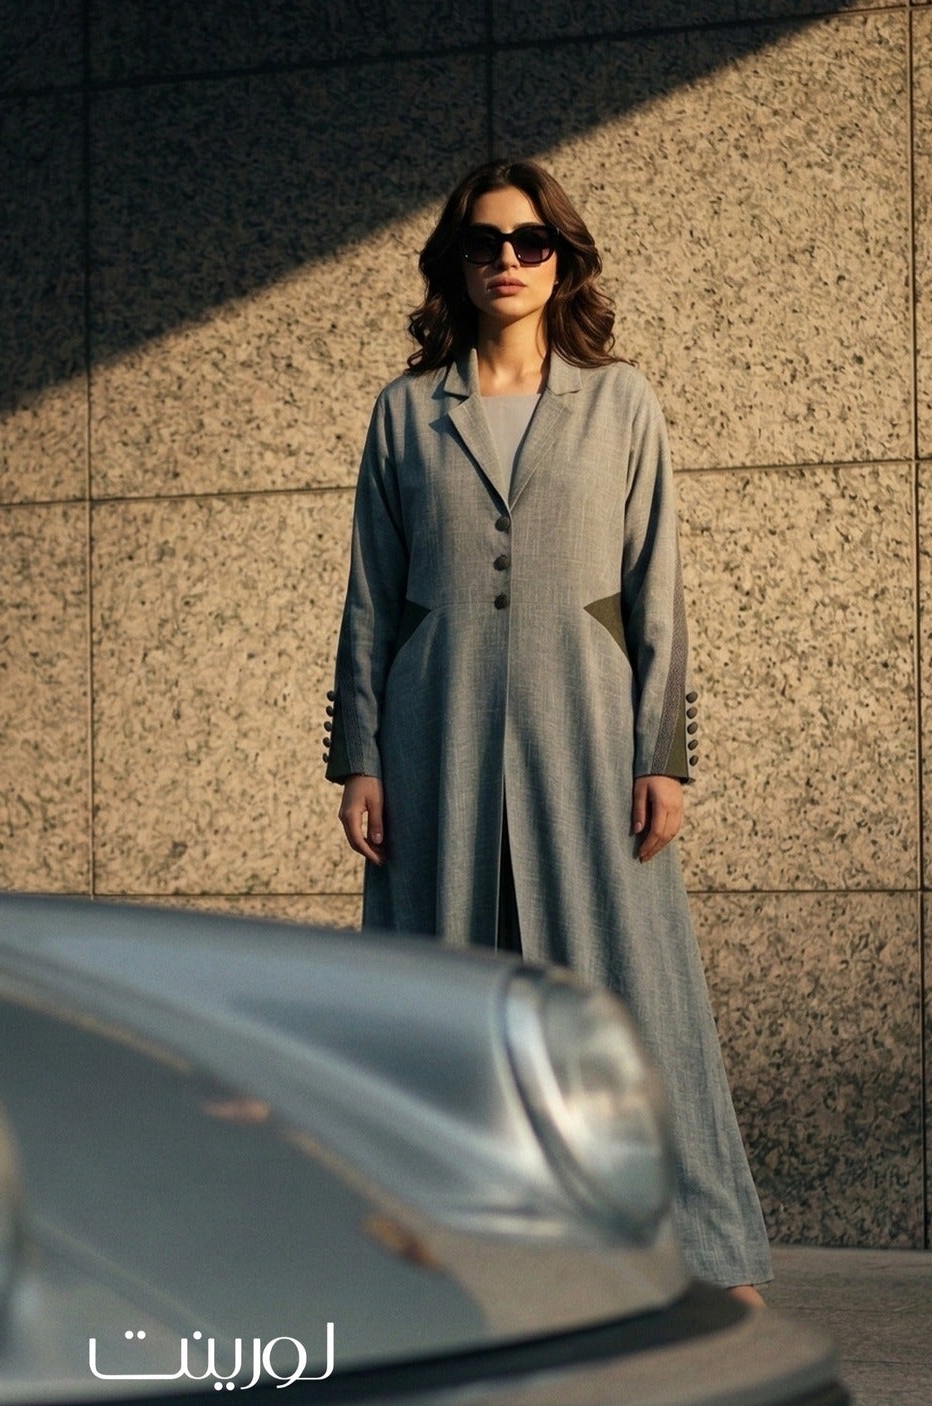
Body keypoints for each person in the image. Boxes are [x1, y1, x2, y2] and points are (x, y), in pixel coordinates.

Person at [322, 158, 770, 1303]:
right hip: (436, 734)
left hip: (587, 730)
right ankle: (442, 1260)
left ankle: (704, 1255)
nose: (506, 262)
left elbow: (655, 589)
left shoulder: (622, 403)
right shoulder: (406, 411)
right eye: (483, 244)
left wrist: (662, 756)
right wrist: (360, 756)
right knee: (437, 1002)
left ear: (562, 256)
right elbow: (374, 595)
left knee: (634, 999)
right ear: (454, 264)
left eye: (529, 242)